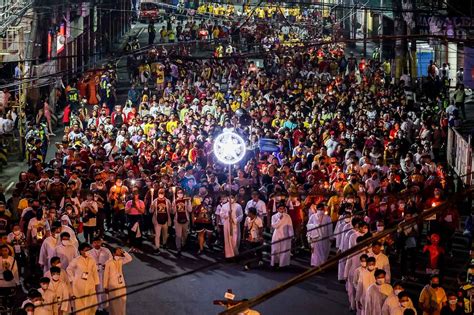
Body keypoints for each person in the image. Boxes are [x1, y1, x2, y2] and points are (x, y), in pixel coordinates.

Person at [66, 242, 99, 315]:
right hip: (79, 285)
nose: (87, 252)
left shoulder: (92, 260)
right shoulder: (76, 260)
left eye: (88, 250)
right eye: (86, 250)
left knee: (91, 303)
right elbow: (69, 269)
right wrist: (72, 279)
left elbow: (95, 272)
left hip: (90, 284)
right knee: (80, 304)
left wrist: (96, 283)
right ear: (81, 251)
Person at [103, 247, 132, 315]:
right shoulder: (108, 262)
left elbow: (130, 258)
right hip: (112, 284)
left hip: (121, 283)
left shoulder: (121, 260)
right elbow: (106, 275)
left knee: (122, 300)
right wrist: (105, 286)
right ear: (113, 253)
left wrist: (124, 251)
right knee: (114, 302)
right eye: (118, 250)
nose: (120, 251)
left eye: (120, 250)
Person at [87, 237, 112, 313]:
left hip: (104, 271)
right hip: (94, 272)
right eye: (95, 242)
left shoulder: (106, 250)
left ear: (101, 242)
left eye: (98, 242)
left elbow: (111, 259)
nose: (97, 244)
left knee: (104, 288)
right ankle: (97, 306)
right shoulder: (89, 252)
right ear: (92, 243)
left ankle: (105, 305)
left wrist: (106, 265)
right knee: (96, 289)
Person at [220, 193, 243, 259]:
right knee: (227, 239)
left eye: (232, 197)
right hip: (227, 224)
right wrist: (228, 214)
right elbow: (221, 214)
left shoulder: (238, 206)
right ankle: (229, 255)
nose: (231, 199)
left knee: (235, 240)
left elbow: (241, 216)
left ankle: (235, 254)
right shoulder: (224, 206)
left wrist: (235, 220)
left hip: (235, 224)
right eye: (229, 197)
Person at [271, 201, 294, 268]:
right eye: (280, 208)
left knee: (284, 249)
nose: (282, 210)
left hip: (285, 234)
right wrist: (279, 220)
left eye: (283, 208)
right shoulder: (274, 216)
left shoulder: (287, 216)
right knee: (275, 249)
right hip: (277, 234)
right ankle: (275, 263)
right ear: (277, 209)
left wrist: (291, 235)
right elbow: (274, 226)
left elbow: (290, 226)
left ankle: (283, 264)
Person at [150, 188, 171, 253]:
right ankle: (157, 247)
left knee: (165, 234)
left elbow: (170, 211)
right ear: (158, 193)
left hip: (165, 220)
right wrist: (151, 207)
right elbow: (151, 211)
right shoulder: (155, 201)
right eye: (160, 193)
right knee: (157, 235)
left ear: (164, 194)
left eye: (162, 193)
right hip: (157, 221)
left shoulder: (167, 201)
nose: (161, 194)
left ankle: (164, 243)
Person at [171, 188, 192, 255]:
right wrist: (173, 206)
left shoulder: (186, 201)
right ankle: (178, 248)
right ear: (177, 194)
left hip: (185, 219)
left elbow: (190, 210)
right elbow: (173, 212)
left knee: (185, 234)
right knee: (178, 235)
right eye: (179, 193)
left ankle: (184, 243)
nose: (180, 194)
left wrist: (189, 202)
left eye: (181, 193)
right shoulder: (175, 201)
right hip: (177, 220)